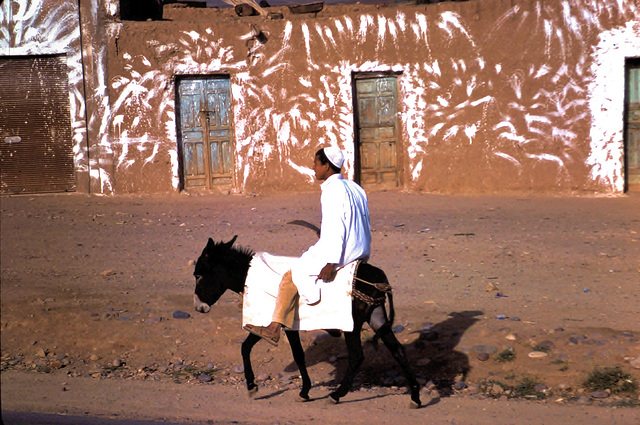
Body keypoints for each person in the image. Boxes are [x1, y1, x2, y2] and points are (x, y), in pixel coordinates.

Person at [244, 147, 372, 345]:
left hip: (341, 250)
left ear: (327, 166)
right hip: (359, 248)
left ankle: (274, 327)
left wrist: (332, 262)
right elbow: (361, 221)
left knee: (291, 275)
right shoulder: (355, 187)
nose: (313, 167)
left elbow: (338, 226)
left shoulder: (332, 190)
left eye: (316, 163)